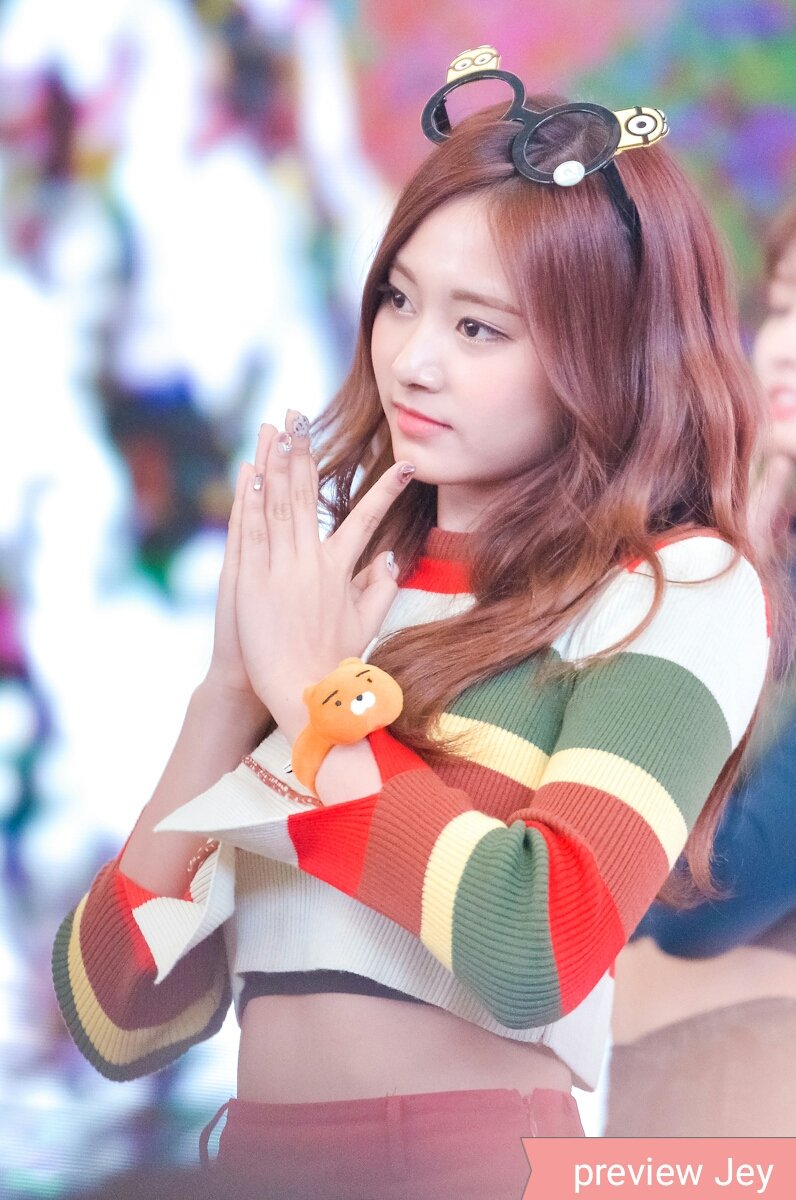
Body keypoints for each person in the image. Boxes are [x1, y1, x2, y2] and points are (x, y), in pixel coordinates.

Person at [52, 48, 772, 1199]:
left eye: (479, 328)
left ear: (608, 350)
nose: (412, 361)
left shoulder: (676, 588)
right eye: (397, 299)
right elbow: (119, 1015)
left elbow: (537, 944)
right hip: (249, 1168)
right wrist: (229, 692)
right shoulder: (338, 588)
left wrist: (313, 704)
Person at [606, 197, 796, 1138]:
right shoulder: (742, 551)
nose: (784, 348)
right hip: (667, 1080)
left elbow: (722, 890)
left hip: (743, 1086)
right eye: (784, 306)